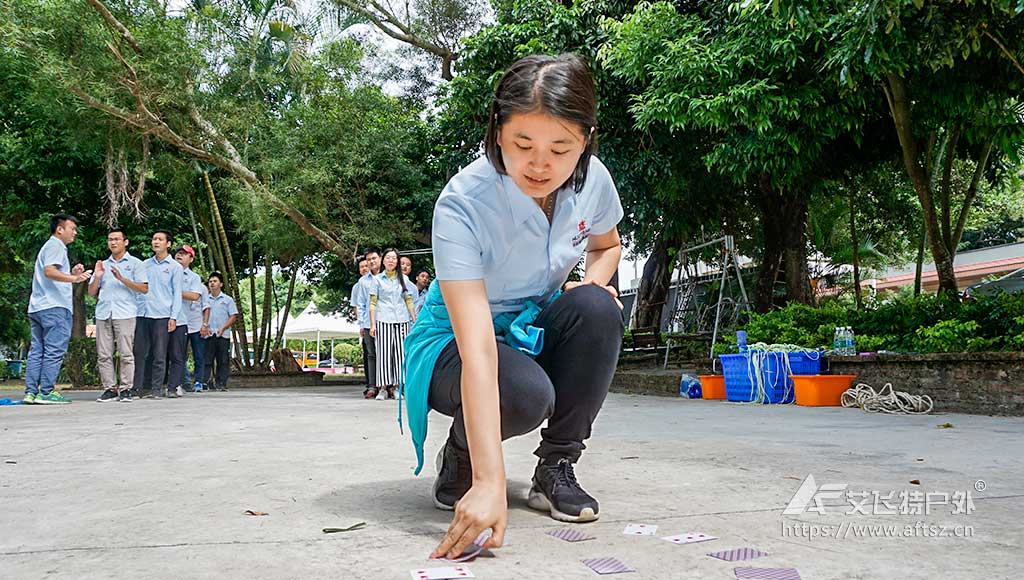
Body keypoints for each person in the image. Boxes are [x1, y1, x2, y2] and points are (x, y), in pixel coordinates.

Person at [403, 54, 625, 560]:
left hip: (535, 326)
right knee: (523, 394)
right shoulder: (463, 203)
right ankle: (462, 454)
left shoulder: (594, 182)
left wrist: (589, 283)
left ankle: (556, 467)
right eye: (523, 144)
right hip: (455, 341)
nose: (540, 165)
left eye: (560, 148)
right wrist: (489, 481)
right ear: (497, 131)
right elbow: (479, 348)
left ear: (586, 139)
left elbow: (606, 245)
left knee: (596, 307)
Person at [23, 214, 91, 405]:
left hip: (38, 307)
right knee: (53, 350)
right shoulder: (56, 245)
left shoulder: (48, 246)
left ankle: (31, 392)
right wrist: (74, 279)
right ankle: (46, 392)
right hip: (55, 307)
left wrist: (70, 274)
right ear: (60, 229)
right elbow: (50, 271)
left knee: (37, 350)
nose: (75, 233)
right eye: (72, 228)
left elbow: (51, 274)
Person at [88, 228, 148, 403]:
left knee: (126, 353)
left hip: (125, 313)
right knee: (104, 354)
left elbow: (144, 288)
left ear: (125, 242)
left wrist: (122, 278)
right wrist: (97, 277)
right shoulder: (102, 265)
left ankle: (126, 388)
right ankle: (109, 388)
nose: (113, 243)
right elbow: (92, 292)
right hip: (103, 312)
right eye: (110, 239)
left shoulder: (136, 263)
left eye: (116, 239)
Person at [131, 230, 183, 399]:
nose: (156, 242)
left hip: (162, 315)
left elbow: (177, 294)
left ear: (168, 244)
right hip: (143, 313)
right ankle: (139, 387)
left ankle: (156, 388)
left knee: (159, 354)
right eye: (154, 239)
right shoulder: (144, 264)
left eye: (160, 239)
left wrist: (173, 317)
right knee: (140, 353)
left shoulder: (175, 267)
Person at [368, 248, 416, 400]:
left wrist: (415, 319)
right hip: (383, 319)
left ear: (397, 262)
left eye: (394, 258)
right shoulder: (377, 279)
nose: (391, 261)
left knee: (400, 354)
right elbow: (373, 303)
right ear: (383, 260)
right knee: (383, 354)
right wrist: (373, 324)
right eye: (388, 258)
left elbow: (409, 300)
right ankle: (383, 388)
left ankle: (397, 386)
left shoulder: (404, 279)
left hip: (402, 320)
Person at [167, 246, 204, 397]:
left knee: (179, 355)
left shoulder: (194, 277)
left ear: (191, 258)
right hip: (162, 316)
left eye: (184, 254)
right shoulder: (167, 270)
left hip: (183, 320)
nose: (179, 256)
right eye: (178, 253)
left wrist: (174, 292)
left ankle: (177, 384)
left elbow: (195, 296)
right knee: (160, 353)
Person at [202, 271, 238, 391]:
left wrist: (223, 328)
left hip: (223, 334)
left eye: (215, 281)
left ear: (221, 284)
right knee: (207, 360)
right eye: (210, 281)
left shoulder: (227, 300)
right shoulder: (205, 299)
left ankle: (221, 383)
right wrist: (205, 327)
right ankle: (207, 382)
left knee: (223, 360)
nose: (212, 283)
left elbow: (233, 316)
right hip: (208, 334)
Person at [357, 248, 381, 398]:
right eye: (369, 259)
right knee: (371, 355)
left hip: (386, 321)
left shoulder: (388, 277)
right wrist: (361, 324)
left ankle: (387, 385)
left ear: (380, 258)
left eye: (374, 258)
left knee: (386, 355)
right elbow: (360, 304)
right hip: (367, 323)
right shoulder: (363, 281)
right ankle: (372, 386)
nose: (372, 262)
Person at [350, 256, 370, 388]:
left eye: (365, 266)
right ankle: (370, 382)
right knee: (368, 354)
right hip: (366, 323)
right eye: (361, 267)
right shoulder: (357, 286)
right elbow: (357, 306)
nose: (364, 269)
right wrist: (361, 324)